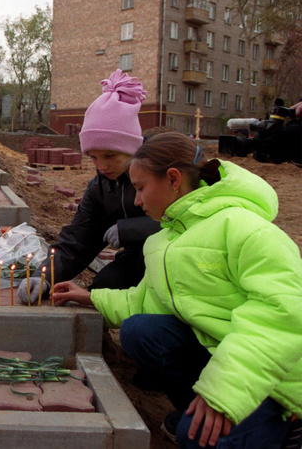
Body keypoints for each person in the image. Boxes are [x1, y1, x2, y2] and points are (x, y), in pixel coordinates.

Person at [53, 132, 302, 448]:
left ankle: (285, 425)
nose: (136, 200)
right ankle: (196, 411)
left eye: (141, 188)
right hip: (223, 353)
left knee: (194, 438)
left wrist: (224, 393)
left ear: (173, 179)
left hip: (275, 378)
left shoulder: (246, 229)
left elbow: (281, 317)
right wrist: (92, 297)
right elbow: (146, 300)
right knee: (139, 331)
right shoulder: (165, 240)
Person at [18, 69, 160, 305]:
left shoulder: (161, 172)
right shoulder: (100, 189)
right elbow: (77, 241)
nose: (102, 166)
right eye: (93, 157)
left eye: (110, 155)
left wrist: (132, 229)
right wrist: (44, 277)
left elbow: (190, 221)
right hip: (137, 257)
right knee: (105, 286)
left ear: (132, 147)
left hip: (178, 258)